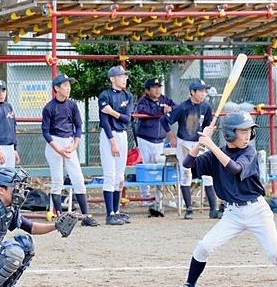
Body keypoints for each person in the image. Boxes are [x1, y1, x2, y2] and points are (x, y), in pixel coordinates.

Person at [172, 111, 277, 287]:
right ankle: (188, 286)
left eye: (248, 132)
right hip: (233, 213)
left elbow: (235, 168)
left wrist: (211, 146)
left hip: (257, 210)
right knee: (204, 246)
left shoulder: (249, 152)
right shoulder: (213, 155)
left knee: (276, 253)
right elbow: (187, 165)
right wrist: (200, 143)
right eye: (242, 132)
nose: (247, 136)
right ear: (229, 134)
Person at [42, 74, 98, 227]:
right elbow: (45, 131)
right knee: (58, 181)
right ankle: (60, 217)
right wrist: (57, 148)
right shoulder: (49, 107)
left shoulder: (72, 105)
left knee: (78, 179)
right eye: (64, 85)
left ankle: (86, 216)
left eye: (69, 85)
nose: (68, 88)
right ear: (56, 88)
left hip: (69, 143)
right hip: (55, 143)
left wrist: (74, 145)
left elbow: (79, 126)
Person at [159, 78, 220, 220]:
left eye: (205, 91)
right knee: (186, 173)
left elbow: (207, 124)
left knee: (207, 174)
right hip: (184, 142)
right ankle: (189, 209)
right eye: (200, 91)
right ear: (192, 92)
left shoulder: (206, 107)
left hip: (200, 142)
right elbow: (164, 120)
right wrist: (172, 137)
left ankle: (213, 209)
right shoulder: (183, 107)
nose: (204, 93)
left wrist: (208, 132)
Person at [98, 65, 134, 226]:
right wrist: (112, 141)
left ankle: (117, 211)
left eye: (125, 76)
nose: (124, 78)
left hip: (123, 134)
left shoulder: (128, 95)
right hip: (109, 135)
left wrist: (112, 112)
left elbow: (127, 119)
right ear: (112, 79)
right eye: (121, 76)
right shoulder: (105, 95)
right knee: (110, 174)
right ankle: (109, 213)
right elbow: (104, 121)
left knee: (120, 175)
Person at [135, 77, 176, 214]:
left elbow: (176, 108)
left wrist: (169, 108)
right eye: (154, 87)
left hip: (160, 140)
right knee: (146, 165)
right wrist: (161, 110)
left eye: (159, 87)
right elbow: (146, 111)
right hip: (145, 138)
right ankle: (145, 195)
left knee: (159, 167)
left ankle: (159, 196)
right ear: (147, 90)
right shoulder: (143, 101)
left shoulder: (165, 99)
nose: (158, 90)